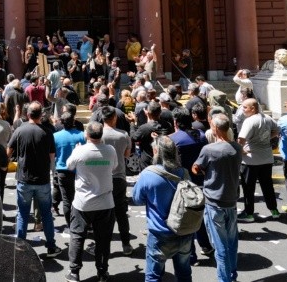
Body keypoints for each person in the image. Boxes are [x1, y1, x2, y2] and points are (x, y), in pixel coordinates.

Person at [133, 136, 193, 282]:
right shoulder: (184, 173)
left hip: (159, 234)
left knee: (153, 276)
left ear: (156, 151)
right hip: (183, 230)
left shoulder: (148, 174)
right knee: (184, 273)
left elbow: (137, 199)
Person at [7, 102, 61, 258]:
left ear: (28, 114)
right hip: (42, 179)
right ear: (41, 115)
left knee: (22, 214)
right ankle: (51, 246)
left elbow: (8, 152)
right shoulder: (47, 132)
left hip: (24, 178)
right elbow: (52, 157)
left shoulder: (19, 130)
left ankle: (20, 246)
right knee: (46, 214)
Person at [192, 114, 242, 282]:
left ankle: (224, 279)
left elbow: (196, 168)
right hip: (231, 200)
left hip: (214, 202)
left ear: (214, 128)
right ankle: (232, 274)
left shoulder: (209, 149)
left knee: (220, 245)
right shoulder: (236, 148)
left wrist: (205, 171)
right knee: (231, 241)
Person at [65, 121, 117, 282]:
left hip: (83, 203)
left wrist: (76, 151)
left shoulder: (80, 151)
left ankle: (74, 272)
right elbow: (114, 167)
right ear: (101, 135)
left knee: (77, 236)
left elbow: (69, 166)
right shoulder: (110, 150)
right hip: (106, 202)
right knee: (103, 239)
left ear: (87, 134)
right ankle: (102, 272)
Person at [169, 107, 212, 261]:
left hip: (183, 184)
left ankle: (190, 253)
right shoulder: (201, 135)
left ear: (176, 122)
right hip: (201, 181)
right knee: (198, 216)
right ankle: (205, 245)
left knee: (185, 220)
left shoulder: (173, 139)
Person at [237, 98, 280, 222]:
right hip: (266, 158)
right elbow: (277, 130)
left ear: (253, 108)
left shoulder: (249, 121)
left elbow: (241, 139)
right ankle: (274, 210)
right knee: (268, 186)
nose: (242, 109)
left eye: (245, 107)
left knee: (248, 188)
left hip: (250, 160)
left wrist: (241, 150)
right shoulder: (267, 118)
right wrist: (265, 138)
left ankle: (249, 214)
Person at [99, 106, 133, 255]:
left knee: (103, 213)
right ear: (114, 118)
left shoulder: (97, 135)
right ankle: (126, 243)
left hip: (102, 177)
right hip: (119, 176)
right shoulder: (123, 135)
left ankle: (103, 244)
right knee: (121, 212)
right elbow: (127, 154)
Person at [53, 111, 86, 227]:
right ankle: (82, 222)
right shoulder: (82, 135)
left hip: (62, 171)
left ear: (61, 122)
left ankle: (70, 225)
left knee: (67, 200)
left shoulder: (55, 136)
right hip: (79, 172)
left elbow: (53, 154)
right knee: (80, 198)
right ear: (73, 122)